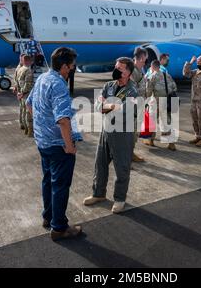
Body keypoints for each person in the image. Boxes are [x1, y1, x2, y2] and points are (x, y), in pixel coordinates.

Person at [26, 47, 83, 241]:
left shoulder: (42, 78)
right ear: (65, 66)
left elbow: (29, 103)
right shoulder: (58, 85)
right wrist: (69, 145)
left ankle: (48, 216)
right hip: (58, 145)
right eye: (72, 66)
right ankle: (59, 227)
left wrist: (42, 125)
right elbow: (64, 120)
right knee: (60, 185)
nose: (73, 69)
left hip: (42, 142)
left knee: (47, 180)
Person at [83, 57, 138, 214]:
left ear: (127, 72)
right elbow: (98, 106)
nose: (116, 70)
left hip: (122, 134)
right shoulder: (108, 85)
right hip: (106, 131)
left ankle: (119, 199)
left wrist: (109, 105)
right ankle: (98, 194)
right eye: (116, 67)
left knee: (122, 168)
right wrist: (112, 105)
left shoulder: (133, 90)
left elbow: (126, 111)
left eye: (120, 68)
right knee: (99, 165)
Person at [144, 60, 178, 151]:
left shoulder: (152, 76)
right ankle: (171, 143)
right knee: (167, 122)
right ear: (159, 66)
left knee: (152, 122)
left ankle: (150, 141)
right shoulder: (167, 75)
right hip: (166, 102)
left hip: (155, 102)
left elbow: (148, 92)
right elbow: (174, 87)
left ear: (152, 67)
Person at [131, 47, 148, 163]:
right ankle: (127, 158)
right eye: (145, 59)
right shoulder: (133, 71)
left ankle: (130, 153)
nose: (146, 61)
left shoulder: (139, 70)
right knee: (130, 134)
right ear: (142, 58)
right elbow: (131, 92)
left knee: (134, 133)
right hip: (132, 109)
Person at [17, 55, 34, 137]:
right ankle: (30, 131)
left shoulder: (20, 69)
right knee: (28, 113)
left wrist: (19, 92)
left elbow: (17, 81)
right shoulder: (28, 70)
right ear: (29, 61)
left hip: (21, 93)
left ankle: (25, 128)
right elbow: (28, 84)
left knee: (23, 111)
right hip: (27, 94)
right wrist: (23, 93)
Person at [13, 54, 26, 130]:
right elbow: (17, 79)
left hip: (20, 90)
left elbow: (15, 79)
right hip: (22, 91)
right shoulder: (21, 68)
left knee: (22, 108)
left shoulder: (19, 67)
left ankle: (21, 123)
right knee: (24, 108)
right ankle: (23, 123)